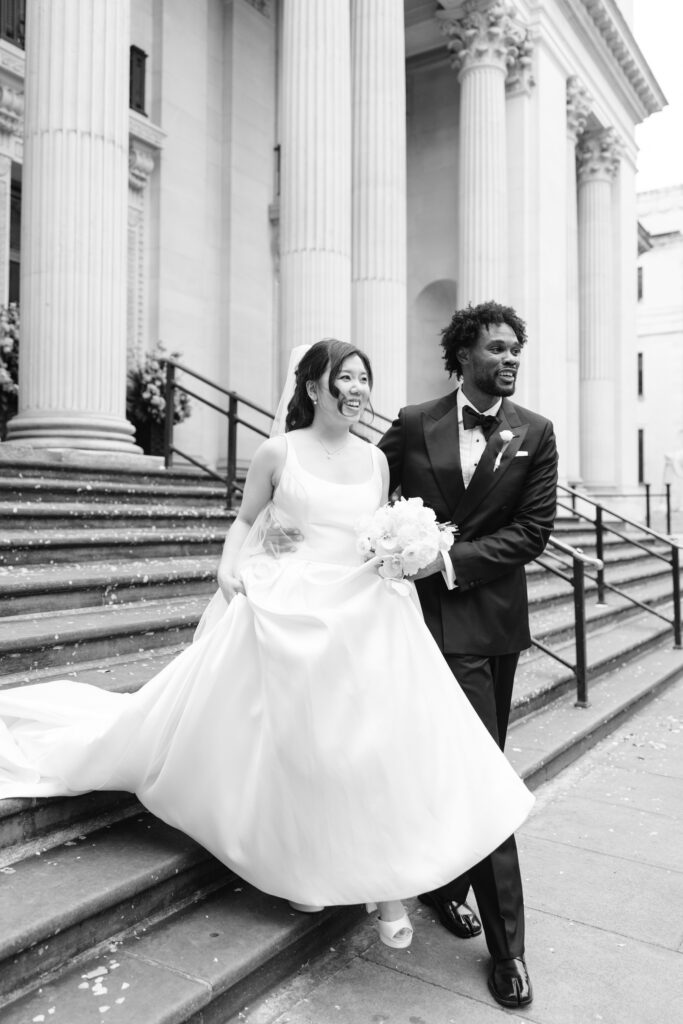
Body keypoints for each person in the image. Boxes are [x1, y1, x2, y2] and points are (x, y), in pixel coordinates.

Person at [0, 338, 533, 953]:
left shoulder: (377, 461)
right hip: (294, 603)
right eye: (346, 378)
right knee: (303, 743)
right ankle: (306, 865)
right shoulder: (277, 452)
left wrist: (401, 545)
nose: (358, 390)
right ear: (313, 387)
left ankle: (387, 888)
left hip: (367, 609)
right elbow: (249, 520)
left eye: (365, 379)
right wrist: (229, 569)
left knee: (375, 744)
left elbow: (373, 529)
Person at [379, 301, 558, 1007]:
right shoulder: (412, 422)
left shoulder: (535, 433)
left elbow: (532, 531)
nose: (510, 357)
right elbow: (363, 493)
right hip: (414, 630)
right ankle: (481, 925)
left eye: (516, 347)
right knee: (456, 777)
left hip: (490, 629)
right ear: (461, 355)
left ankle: (469, 911)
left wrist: (443, 558)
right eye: (495, 347)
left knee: (477, 774)